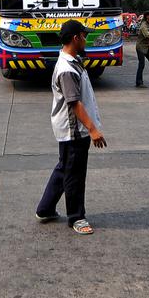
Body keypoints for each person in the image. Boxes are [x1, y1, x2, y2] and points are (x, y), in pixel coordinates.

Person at [36, 20, 107, 235]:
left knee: (65, 167)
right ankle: (76, 217)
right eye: (84, 36)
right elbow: (74, 102)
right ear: (76, 38)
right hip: (73, 130)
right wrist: (93, 129)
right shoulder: (67, 68)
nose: (86, 39)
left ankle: (45, 208)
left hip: (72, 129)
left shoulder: (73, 60)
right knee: (74, 173)